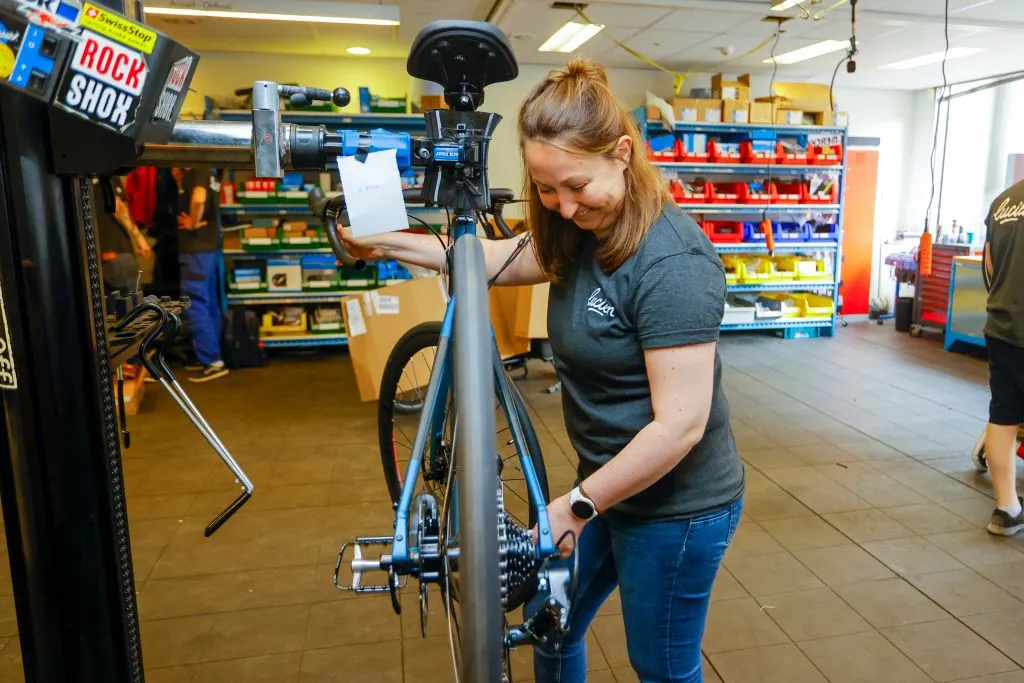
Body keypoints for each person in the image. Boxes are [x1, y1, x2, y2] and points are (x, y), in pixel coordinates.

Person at [340, 59, 744, 682]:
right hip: (604, 486)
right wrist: (385, 242)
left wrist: (575, 508)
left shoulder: (674, 264)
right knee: (551, 630)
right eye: (546, 188)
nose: (562, 205)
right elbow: (489, 259)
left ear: (624, 154)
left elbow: (680, 427)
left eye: (577, 185)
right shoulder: (575, 230)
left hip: (676, 507)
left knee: (661, 667)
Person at [982, 179, 1024, 536]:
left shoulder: (1003, 201)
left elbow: (989, 267)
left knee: (1003, 416)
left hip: (1002, 327)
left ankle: (1006, 509)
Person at [172, 166, 228, 383]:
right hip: (208, 249)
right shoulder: (210, 170)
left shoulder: (197, 170)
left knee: (194, 303)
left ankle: (212, 359)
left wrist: (193, 222)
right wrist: (179, 182)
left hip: (195, 251)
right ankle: (213, 355)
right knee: (209, 303)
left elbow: (198, 199)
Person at [93, 175, 153, 294]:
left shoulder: (78, 174)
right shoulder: (107, 173)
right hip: (117, 252)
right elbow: (119, 209)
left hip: (96, 255)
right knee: (133, 306)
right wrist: (139, 239)